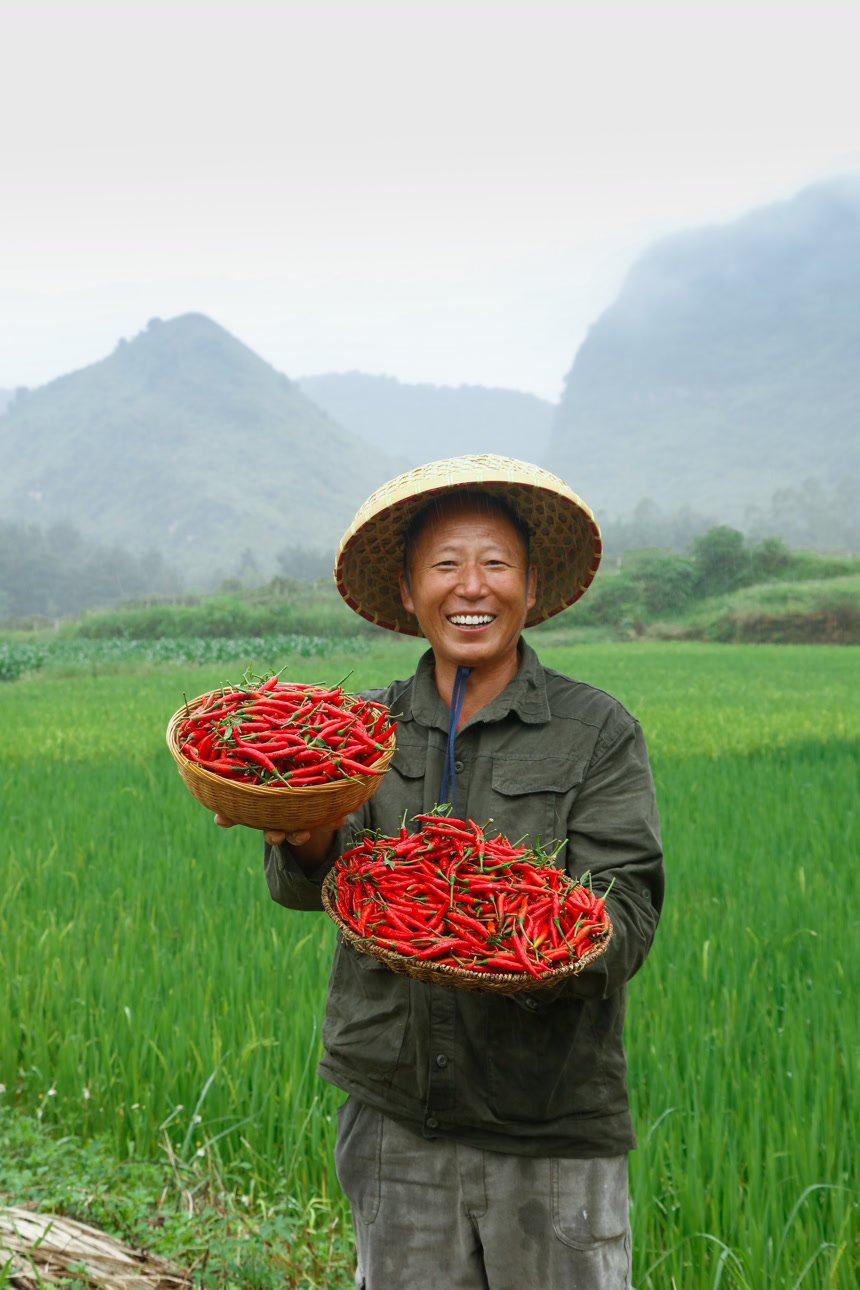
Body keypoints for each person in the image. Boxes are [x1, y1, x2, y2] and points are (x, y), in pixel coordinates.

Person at [216, 455, 664, 1290]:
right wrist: (301, 829)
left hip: (549, 1126)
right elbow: (309, 885)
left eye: (495, 564)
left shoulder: (595, 730)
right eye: (446, 565)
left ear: (529, 586)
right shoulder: (361, 728)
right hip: (396, 1119)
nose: (472, 586)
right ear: (409, 585)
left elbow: (628, 916)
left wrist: (520, 944)